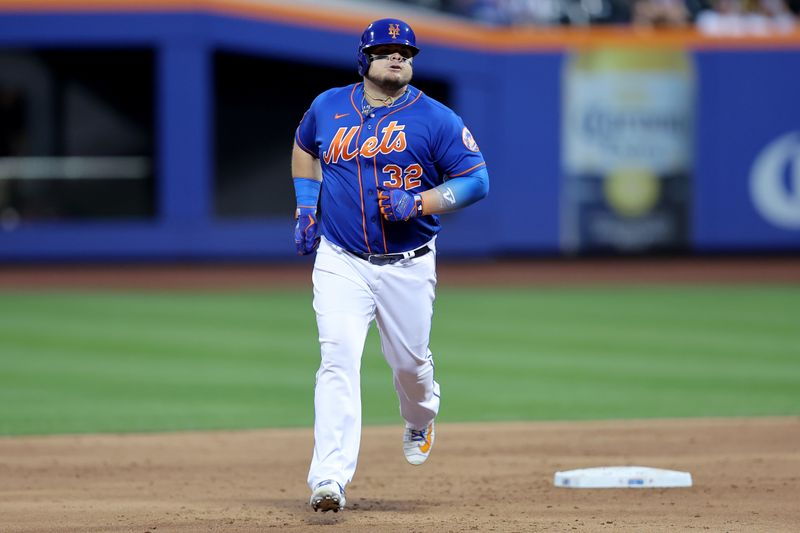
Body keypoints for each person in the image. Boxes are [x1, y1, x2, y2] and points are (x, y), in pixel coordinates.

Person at [291, 18, 490, 513]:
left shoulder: (436, 119)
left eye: (405, 50)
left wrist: (420, 203)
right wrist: (305, 207)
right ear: (365, 59)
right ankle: (329, 479)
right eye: (385, 50)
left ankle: (421, 416)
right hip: (340, 259)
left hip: (408, 265)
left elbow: (476, 180)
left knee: (410, 368)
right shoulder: (328, 106)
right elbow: (303, 147)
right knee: (337, 360)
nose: (398, 57)